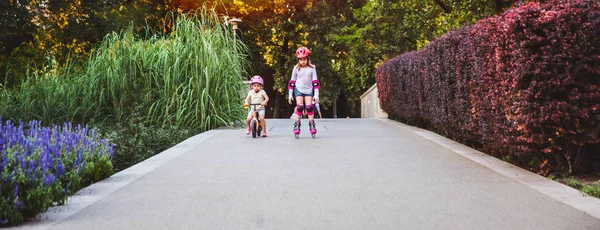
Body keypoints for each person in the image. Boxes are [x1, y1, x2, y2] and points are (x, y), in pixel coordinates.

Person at [288, 46, 320, 135]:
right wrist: (290, 95)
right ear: (298, 60)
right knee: (299, 107)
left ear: (308, 59)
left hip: (309, 90)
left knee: (309, 107)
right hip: (298, 89)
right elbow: (292, 82)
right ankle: (297, 124)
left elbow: (316, 83)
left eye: (304, 59)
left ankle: (312, 124)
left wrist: (316, 96)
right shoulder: (296, 68)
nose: (302, 61)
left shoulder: (312, 68)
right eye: (300, 59)